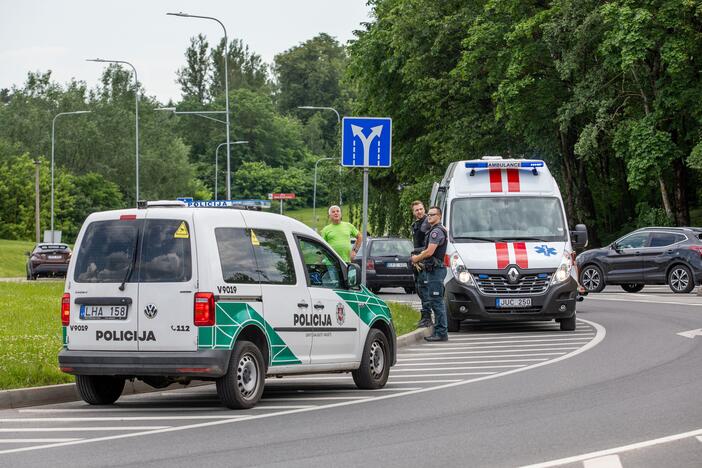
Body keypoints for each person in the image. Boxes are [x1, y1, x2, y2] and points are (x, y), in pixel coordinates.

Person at [411, 206, 449, 342]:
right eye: (429, 215)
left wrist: (416, 258)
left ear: (439, 216)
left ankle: (441, 332)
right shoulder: (433, 230)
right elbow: (426, 249)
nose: (429, 217)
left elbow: (429, 252)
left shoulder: (436, 232)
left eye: (432, 215)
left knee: (437, 302)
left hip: (436, 271)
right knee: (435, 301)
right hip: (433, 270)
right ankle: (440, 330)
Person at [410, 201, 432, 328]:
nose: (419, 211)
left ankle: (427, 318)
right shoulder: (416, 224)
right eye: (416, 210)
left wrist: (416, 254)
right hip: (417, 260)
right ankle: (424, 316)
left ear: (424, 209)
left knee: (424, 290)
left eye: (421, 209)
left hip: (424, 260)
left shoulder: (427, 223)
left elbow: (428, 245)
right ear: (413, 212)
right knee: (419, 289)